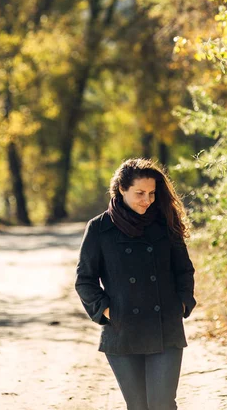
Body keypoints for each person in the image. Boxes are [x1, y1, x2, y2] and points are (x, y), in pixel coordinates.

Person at [75, 157, 196, 410]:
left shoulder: (165, 223)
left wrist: (183, 303)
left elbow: (184, 270)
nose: (147, 200)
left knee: (162, 404)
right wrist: (108, 311)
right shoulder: (99, 228)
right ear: (121, 189)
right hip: (122, 330)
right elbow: (85, 280)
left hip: (165, 326)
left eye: (152, 193)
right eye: (140, 193)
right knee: (138, 406)